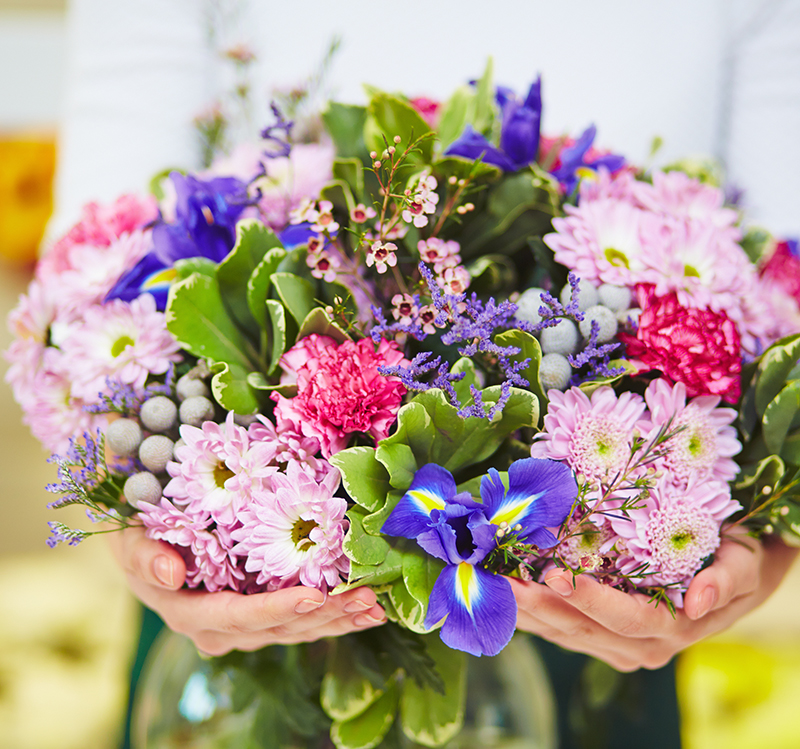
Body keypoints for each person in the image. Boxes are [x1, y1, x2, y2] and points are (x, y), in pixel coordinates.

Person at [53, 1, 800, 746]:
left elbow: (784, 278)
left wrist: (762, 546)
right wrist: (134, 507)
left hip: (607, 610)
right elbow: (95, 257)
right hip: (237, 618)